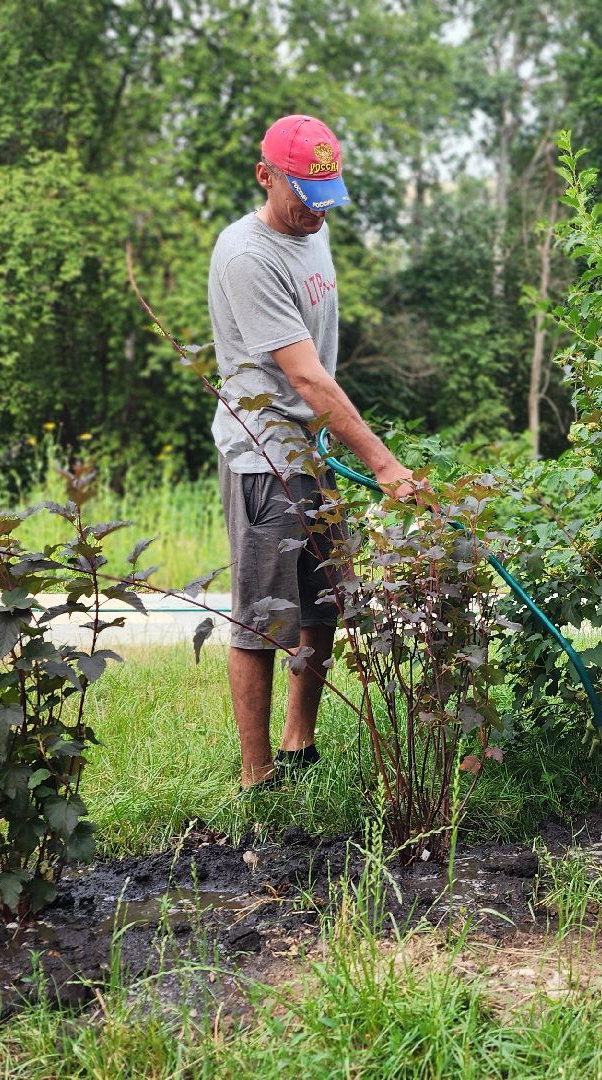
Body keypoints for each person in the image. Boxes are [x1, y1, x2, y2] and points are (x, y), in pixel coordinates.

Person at [208, 114, 414, 791]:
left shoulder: (310, 230)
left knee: (325, 603)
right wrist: (383, 462)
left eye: (327, 195)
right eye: (304, 195)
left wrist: (333, 441)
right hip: (265, 459)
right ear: (265, 176)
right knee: (265, 620)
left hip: (313, 450)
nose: (317, 212)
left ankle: (299, 744)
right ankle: (255, 775)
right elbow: (304, 376)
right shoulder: (248, 254)